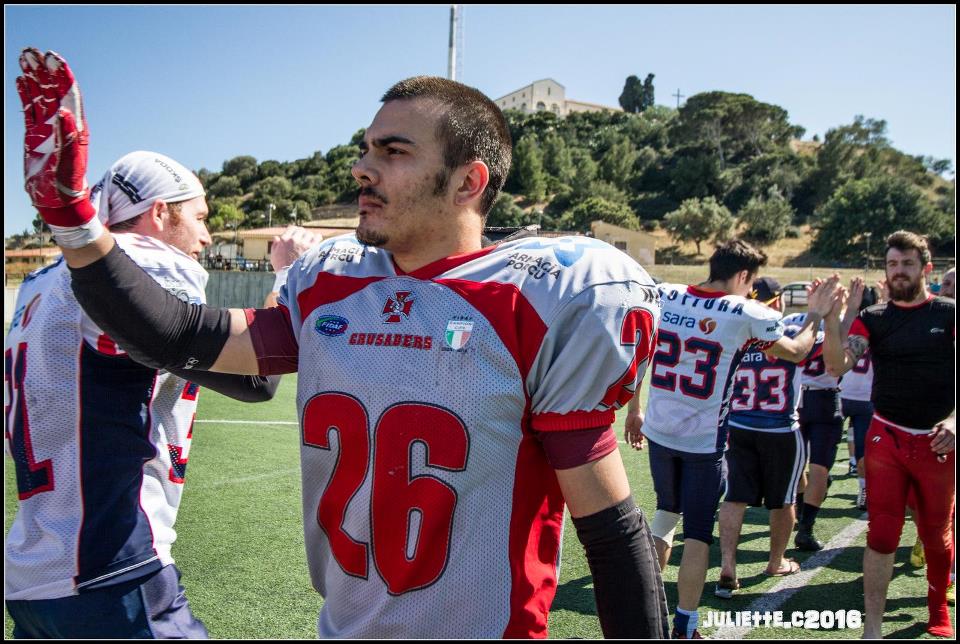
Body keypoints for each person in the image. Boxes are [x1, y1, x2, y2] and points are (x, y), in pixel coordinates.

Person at [18, 48, 669, 638]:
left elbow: (610, 529)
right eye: (365, 150)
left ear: (468, 182)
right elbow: (184, 333)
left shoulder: (536, 296)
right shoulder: (333, 281)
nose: (361, 168)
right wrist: (76, 223)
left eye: (394, 152)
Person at [3, 147, 319, 637]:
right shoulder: (149, 260)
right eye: (199, 217)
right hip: (111, 562)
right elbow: (256, 379)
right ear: (158, 212)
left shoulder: (41, 281)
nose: (206, 235)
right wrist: (286, 275)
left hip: (34, 574)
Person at [625, 241, 840, 639]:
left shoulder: (666, 294)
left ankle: (643, 614)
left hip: (659, 428)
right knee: (697, 536)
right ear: (743, 276)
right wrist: (814, 314)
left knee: (666, 514)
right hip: (702, 442)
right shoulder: (744, 311)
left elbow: (641, 351)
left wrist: (635, 407)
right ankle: (685, 626)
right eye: (751, 281)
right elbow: (795, 352)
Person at [822, 230, 955, 638]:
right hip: (887, 438)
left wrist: (955, 420)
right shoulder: (874, 317)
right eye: (892, 264)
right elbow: (837, 366)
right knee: (882, 531)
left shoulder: (949, 313)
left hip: (938, 440)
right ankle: (873, 626)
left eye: (907, 264)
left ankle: (936, 608)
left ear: (926, 269)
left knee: (935, 533)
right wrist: (830, 318)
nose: (898, 271)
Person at [715, 277, 817, 598]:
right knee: (783, 499)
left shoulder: (735, 330)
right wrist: (819, 315)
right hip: (780, 429)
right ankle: (775, 562)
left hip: (738, 426)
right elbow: (815, 352)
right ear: (778, 301)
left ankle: (728, 566)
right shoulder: (783, 333)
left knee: (734, 497)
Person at [783, 277, 864, 551]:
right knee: (819, 468)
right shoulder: (834, 324)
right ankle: (806, 528)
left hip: (795, 398)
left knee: (798, 465)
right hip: (825, 400)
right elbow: (840, 352)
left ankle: (799, 513)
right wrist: (849, 310)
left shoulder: (794, 321)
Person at [839, 285, 878, 512]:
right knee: (865, 451)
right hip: (867, 398)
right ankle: (863, 489)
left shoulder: (845, 325)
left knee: (823, 449)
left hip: (841, 393)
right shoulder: (880, 324)